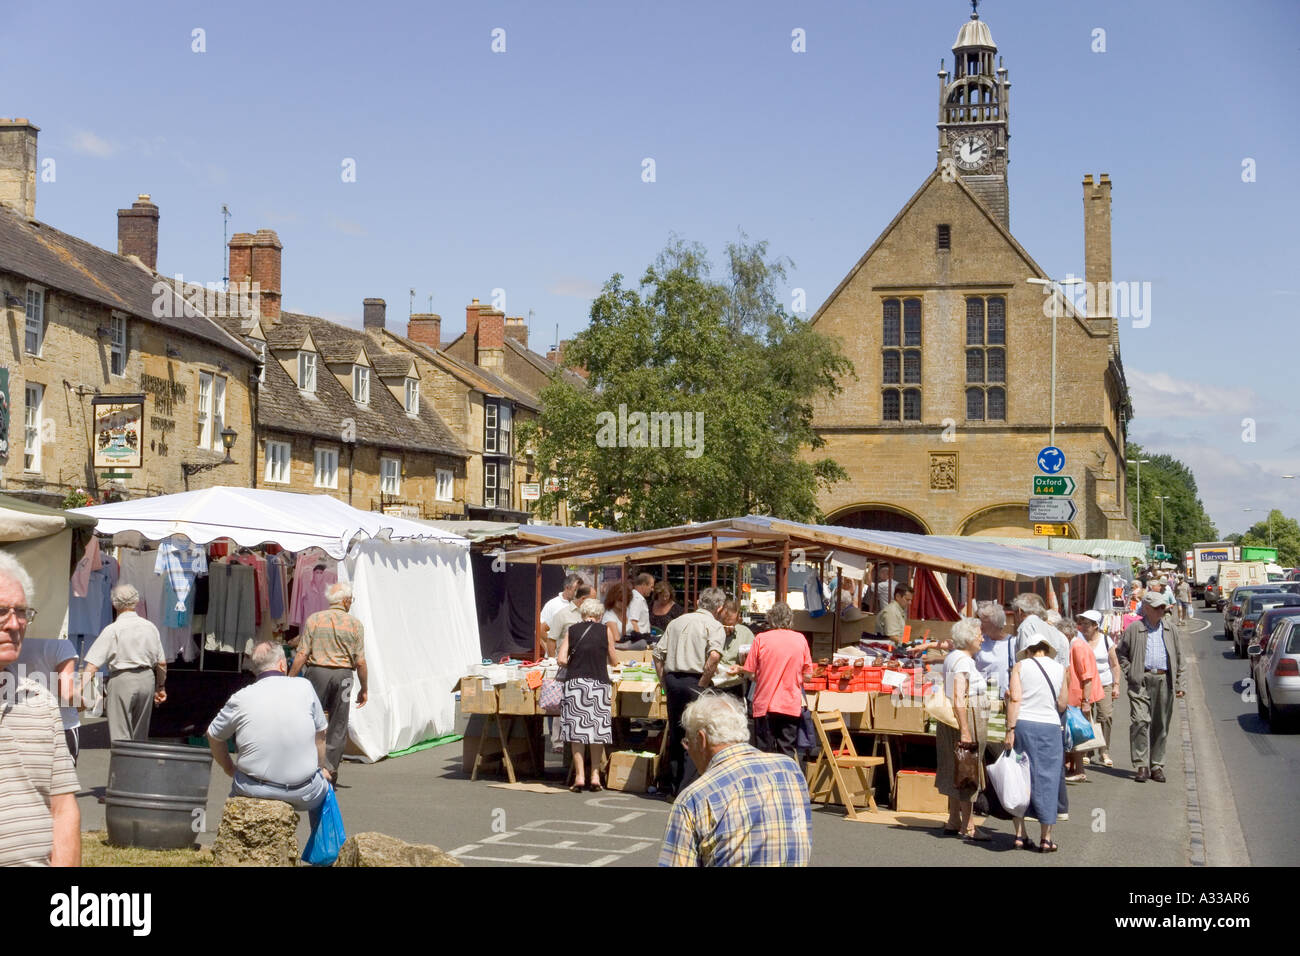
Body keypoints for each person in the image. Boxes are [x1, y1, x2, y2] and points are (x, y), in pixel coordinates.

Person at [658, 692, 811, 867]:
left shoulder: (694, 798)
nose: (688, 750)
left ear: (701, 740)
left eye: (687, 742)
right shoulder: (790, 770)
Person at [0, 553, 80, 866]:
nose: (15, 623)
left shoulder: (41, 703)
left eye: (21, 612)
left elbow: (63, 809)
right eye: (1, 611)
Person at [206, 641, 332, 811]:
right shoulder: (304, 686)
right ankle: (320, 837)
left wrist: (229, 768)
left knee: (235, 802)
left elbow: (214, 735)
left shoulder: (241, 697)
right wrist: (320, 768)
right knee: (325, 787)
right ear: (282, 665)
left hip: (254, 790)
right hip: (304, 792)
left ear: (254, 669)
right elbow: (321, 735)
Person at [289, 581, 368, 786]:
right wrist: (365, 688)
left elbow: (302, 653)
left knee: (309, 719)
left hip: (317, 672)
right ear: (345, 600)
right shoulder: (355, 624)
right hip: (344, 675)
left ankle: (307, 766)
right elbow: (360, 661)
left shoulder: (315, 619)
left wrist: (290, 679)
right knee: (338, 723)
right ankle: (330, 770)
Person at [652, 586, 727, 794]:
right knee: (696, 734)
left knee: (676, 733)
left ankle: (674, 787)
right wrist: (703, 682)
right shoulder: (714, 625)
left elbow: (657, 654)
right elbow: (714, 656)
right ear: (719, 608)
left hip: (674, 680)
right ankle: (688, 786)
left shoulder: (677, 621)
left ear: (698, 603)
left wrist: (664, 681)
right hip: (695, 681)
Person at [1005, 635, 1069, 852]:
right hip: (1049, 727)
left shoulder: (1020, 667)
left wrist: (1010, 729)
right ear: (1046, 649)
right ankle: (1046, 837)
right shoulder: (1060, 668)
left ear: (1029, 650)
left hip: (1023, 724)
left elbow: (1015, 699)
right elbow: (1062, 704)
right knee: (1048, 779)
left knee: (1020, 778)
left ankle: (1019, 835)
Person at [81, 584, 166, 742]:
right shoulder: (151, 627)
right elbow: (162, 663)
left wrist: (79, 688)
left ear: (114, 604)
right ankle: (138, 766)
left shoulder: (113, 629)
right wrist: (160, 687)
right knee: (140, 735)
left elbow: (93, 665)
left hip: (122, 680)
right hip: (147, 679)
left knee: (120, 735)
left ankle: (121, 766)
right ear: (136, 601)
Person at [1116, 591, 1185, 783]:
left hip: (1164, 679)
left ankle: (1157, 765)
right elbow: (1121, 652)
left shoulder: (1170, 629)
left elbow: (1180, 658)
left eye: (1163, 607)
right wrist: (1130, 672)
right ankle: (1141, 765)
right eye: (1157, 607)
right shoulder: (1134, 629)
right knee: (1140, 721)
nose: (1162, 610)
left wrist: (1180, 683)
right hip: (1141, 680)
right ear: (1146, 608)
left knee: (1160, 724)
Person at [937, 618, 991, 841]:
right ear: (968, 637)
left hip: (955, 719)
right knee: (968, 770)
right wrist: (966, 730)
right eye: (979, 634)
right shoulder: (963, 661)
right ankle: (968, 826)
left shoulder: (954, 657)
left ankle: (953, 820)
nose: (982, 638)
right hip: (966, 717)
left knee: (956, 768)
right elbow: (960, 696)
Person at [557, 598, 618, 792]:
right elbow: (614, 659)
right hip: (599, 684)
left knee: (577, 733)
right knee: (597, 733)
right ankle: (595, 776)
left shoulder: (572, 631)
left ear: (583, 614)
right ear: (599, 615)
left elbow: (560, 659)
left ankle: (579, 776)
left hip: (575, 684)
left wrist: (575, 662)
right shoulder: (605, 630)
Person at [743, 601, 811, 759]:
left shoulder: (761, 638)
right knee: (786, 751)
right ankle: (784, 782)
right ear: (790, 619)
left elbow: (749, 671)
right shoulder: (800, 639)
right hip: (789, 703)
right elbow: (808, 675)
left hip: (764, 704)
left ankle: (766, 783)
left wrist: (764, 676)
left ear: (771, 618)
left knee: (764, 752)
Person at [16, 634, 81, 763]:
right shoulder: (62, 643)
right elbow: (67, 695)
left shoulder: (11, 641)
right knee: (61, 779)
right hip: (61, 725)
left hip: (19, 725)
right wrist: (87, 701)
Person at [1080, 609, 1121, 768]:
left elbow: (1115, 664)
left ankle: (1104, 751)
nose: (1083, 627)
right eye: (1082, 624)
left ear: (1096, 626)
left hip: (1104, 683)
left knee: (1105, 716)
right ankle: (1087, 751)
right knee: (1086, 717)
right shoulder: (1079, 640)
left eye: (1087, 624)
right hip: (1086, 685)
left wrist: (1116, 684)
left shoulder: (1106, 641)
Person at [1063, 617, 1100, 782]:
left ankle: (1079, 770)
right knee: (1074, 734)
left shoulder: (1077, 646)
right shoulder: (1076, 644)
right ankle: (1073, 768)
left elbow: (1087, 676)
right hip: (1076, 697)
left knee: (1077, 734)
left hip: (1078, 698)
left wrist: (1086, 701)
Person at [1011, 592, 1069, 666]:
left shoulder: (1026, 627)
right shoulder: (1054, 630)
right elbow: (1065, 667)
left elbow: (1025, 663)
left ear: (1019, 611)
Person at [973, 601, 1014, 700]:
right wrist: (934, 659)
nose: (979, 624)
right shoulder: (978, 640)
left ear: (993, 623)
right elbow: (963, 656)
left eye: (982, 621)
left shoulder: (1013, 643)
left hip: (1004, 697)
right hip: (982, 697)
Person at [715, 599, 754, 696]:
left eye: (731, 626)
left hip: (736, 685)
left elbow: (754, 662)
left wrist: (741, 668)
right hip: (714, 685)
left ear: (737, 620)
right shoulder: (711, 631)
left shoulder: (745, 634)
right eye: (724, 625)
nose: (727, 629)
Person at [541, 573, 584, 656]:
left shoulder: (581, 605)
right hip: (558, 657)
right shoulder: (553, 604)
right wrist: (553, 647)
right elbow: (540, 630)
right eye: (575, 590)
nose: (578, 593)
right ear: (567, 588)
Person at [548, 582, 593, 654]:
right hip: (566, 661)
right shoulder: (562, 614)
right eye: (593, 600)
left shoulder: (592, 614)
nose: (596, 602)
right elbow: (551, 640)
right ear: (583, 599)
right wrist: (552, 661)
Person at [627, 573, 654, 642]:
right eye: (651, 587)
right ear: (644, 585)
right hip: (640, 638)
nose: (652, 590)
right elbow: (633, 621)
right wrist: (640, 640)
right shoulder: (637, 599)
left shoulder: (637, 597)